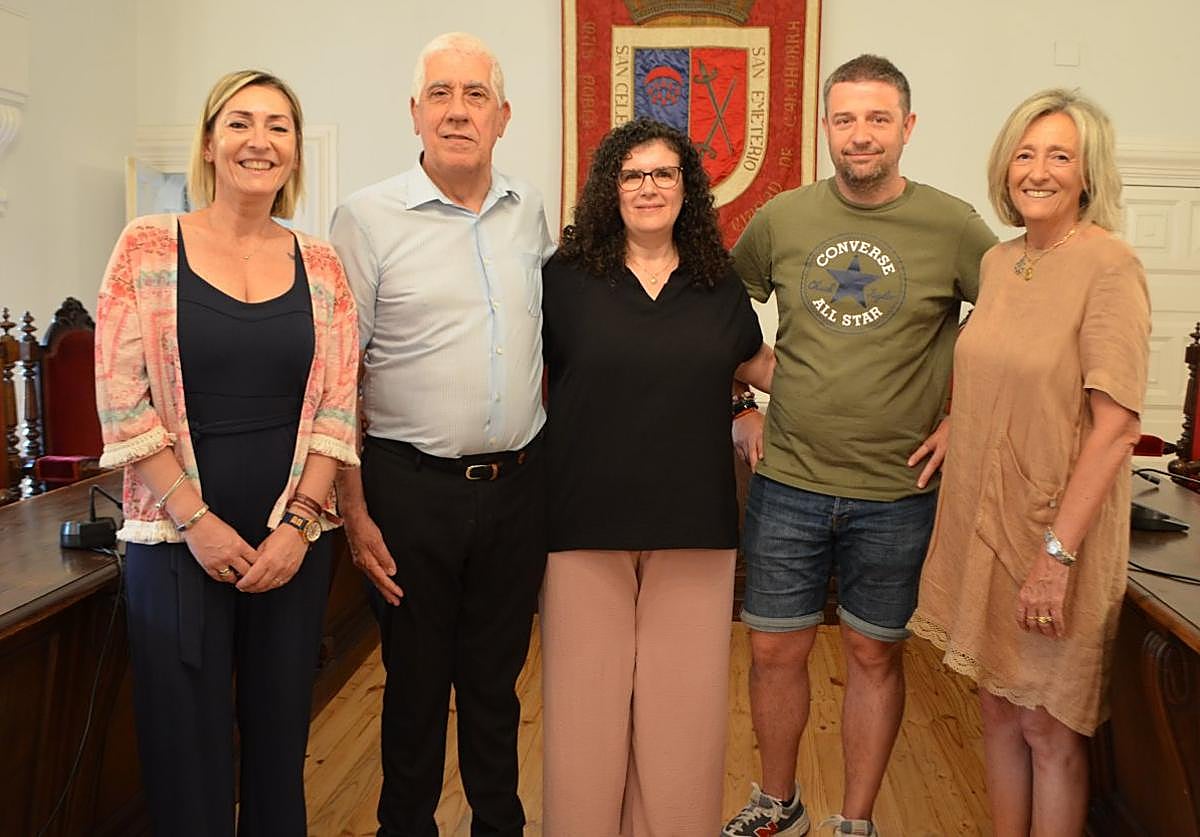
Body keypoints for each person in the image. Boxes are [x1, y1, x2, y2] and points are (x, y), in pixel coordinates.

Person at [721, 54, 998, 837]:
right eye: (845, 119)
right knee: (775, 654)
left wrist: (962, 417)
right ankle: (779, 803)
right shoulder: (783, 217)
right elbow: (712, 315)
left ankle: (857, 819)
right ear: (826, 127)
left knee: (876, 658)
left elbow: (1012, 325)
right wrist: (743, 401)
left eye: (878, 119)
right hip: (789, 482)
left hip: (900, 491)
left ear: (907, 127)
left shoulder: (951, 225)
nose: (860, 135)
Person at [95, 70, 360, 836]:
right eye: (240, 122)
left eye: (279, 126)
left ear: (295, 150)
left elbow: (340, 404)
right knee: (186, 753)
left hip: (292, 543)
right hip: (175, 539)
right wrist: (197, 521)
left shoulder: (322, 262)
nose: (259, 140)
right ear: (210, 141)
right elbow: (121, 395)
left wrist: (300, 523)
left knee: (280, 751)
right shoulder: (147, 245)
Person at [328, 32, 555, 837]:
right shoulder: (364, 218)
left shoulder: (532, 212)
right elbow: (336, 380)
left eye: (475, 96)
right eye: (441, 95)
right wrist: (354, 514)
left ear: (502, 116)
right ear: (415, 113)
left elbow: (552, 348)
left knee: (497, 683)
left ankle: (500, 825)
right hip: (407, 490)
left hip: (518, 488)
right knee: (416, 684)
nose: (458, 111)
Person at [910, 89, 1149, 836]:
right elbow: (999, 364)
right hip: (983, 513)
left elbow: (1116, 426)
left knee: (1049, 726)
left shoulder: (1110, 266)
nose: (1037, 170)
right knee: (995, 702)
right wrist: (959, 420)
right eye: (1024, 152)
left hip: (1054, 531)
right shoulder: (999, 260)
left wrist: (1057, 554)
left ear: (1087, 175)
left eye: (1059, 156)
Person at [539, 118, 774, 836]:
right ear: (610, 188)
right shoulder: (564, 280)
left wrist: (753, 405)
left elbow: (751, 367)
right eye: (632, 174)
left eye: (663, 174)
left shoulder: (715, 282)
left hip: (693, 524)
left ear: (688, 189)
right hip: (582, 523)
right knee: (585, 717)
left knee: (685, 719)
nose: (647, 187)